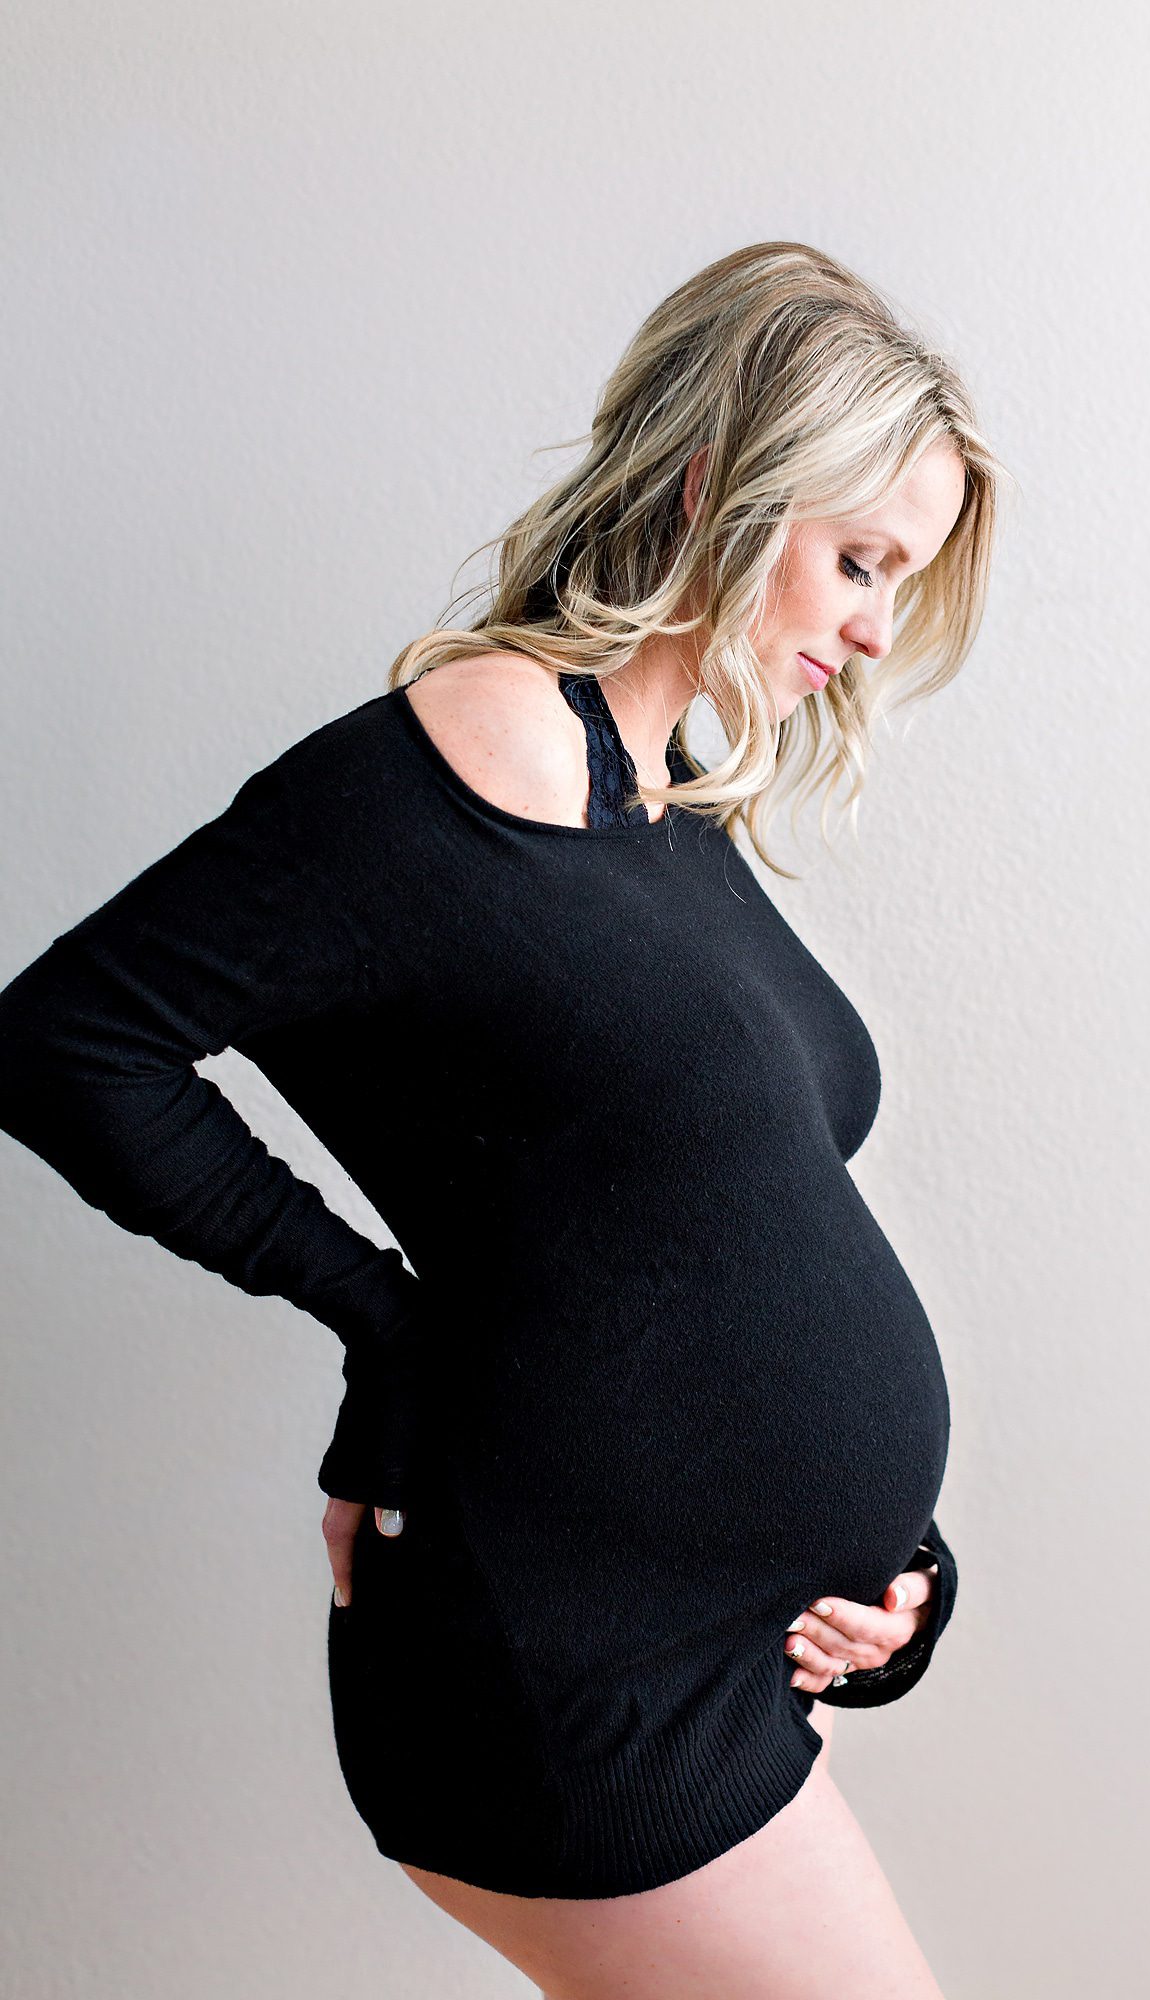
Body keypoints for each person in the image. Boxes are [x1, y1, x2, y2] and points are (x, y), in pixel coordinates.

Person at [0, 241, 1006, 1998]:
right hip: (560, 1676)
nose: (868, 629)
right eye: (857, 562)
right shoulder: (442, 776)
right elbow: (64, 1043)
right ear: (720, 486)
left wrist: (886, 1574)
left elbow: (683, 1238)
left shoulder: (660, 795)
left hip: (706, 1655)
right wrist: (387, 1326)